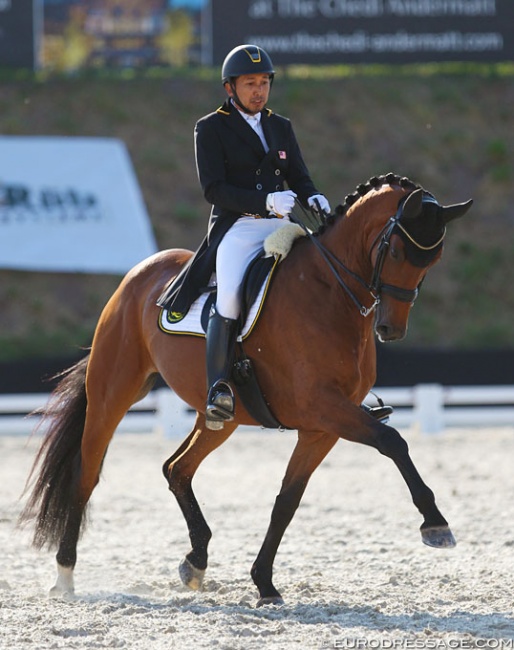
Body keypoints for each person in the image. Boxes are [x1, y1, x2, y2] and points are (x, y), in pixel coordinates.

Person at [157, 43, 391, 429]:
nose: (259, 90)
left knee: (325, 280)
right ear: (229, 88)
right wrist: (265, 200)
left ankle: (351, 386)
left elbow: (298, 174)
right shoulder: (211, 127)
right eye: (250, 83)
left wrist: (311, 193)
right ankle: (218, 387)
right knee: (230, 294)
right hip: (238, 227)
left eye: (264, 82)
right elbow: (214, 190)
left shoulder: (280, 126)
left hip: (281, 224)